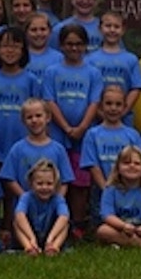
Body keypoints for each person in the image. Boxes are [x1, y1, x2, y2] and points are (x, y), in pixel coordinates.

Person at [43, 24, 103, 230]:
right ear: (61, 45)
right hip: (59, 133)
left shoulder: (93, 73)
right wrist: (67, 128)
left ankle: (77, 225)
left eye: (79, 44)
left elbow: (94, 102)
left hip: (84, 135)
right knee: (56, 179)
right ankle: (54, 223)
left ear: (86, 46)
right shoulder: (52, 71)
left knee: (80, 182)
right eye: (69, 44)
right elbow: (50, 101)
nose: (74, 48)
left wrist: (82, 127)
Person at [0, 27, 42, 164]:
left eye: (15, 47)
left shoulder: (31, 80)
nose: (10, 51)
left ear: (23, 50)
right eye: (5, 46)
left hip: (23, 140)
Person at [87, 11, 141, 120]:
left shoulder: (131, 59)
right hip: (96, 118)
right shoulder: (89, 59)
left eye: (116, 26)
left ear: (123, 30)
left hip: (123, 119)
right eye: (108, 26)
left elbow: (136, 88)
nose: (112, 30)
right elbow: (88, 88)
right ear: (100, 29)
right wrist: (98, 112)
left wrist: (122, 112)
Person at [12, 160, 71, 256]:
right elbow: (19, 215)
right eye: (39, 183)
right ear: (31, 184)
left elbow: (64, 216)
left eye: (49, 184)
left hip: (50, 232)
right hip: (31, 232)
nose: (44, 187)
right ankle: (29, 247)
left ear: (55, 184)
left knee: (65, 225)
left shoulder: (58, 199)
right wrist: (32, 238)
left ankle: (54, 247)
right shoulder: (26, 197)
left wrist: (50, 238)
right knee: (16, 223)